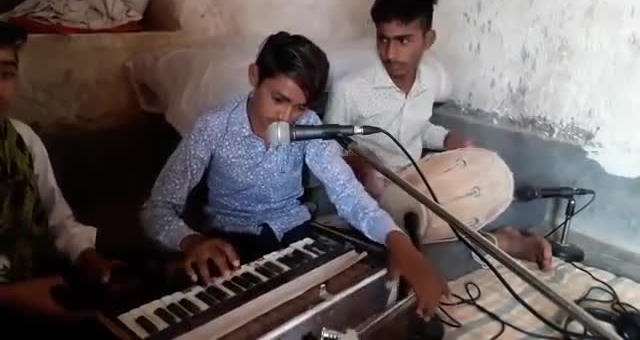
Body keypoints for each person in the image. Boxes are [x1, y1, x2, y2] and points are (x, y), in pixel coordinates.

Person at [141, 31, 450, 318]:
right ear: (254, 77)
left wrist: (401, 244)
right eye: (278, 99)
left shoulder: (310, 127)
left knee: (355, 304)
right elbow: (156, 209)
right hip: (232, 248)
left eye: (299, 108)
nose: (286, 118)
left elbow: (348, 194)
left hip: (296, 239)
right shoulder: (213, 127)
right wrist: (191, 242)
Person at [323, 0, 552, 280]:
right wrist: (360, 166)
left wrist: (448, 139)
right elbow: (327, 149)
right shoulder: (349, 90)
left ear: (427, 39)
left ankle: (494, 234)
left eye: (403, 40)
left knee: (494, 183)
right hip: (372, 197)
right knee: (413, 260)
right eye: (383, 39)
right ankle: (502, 242)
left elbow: (421, 127)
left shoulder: (429, 80)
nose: (390, 53)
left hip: (421, 181)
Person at [0, 22, 119, 333]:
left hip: (40, 291)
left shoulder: (23, 142)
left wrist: (88, 257)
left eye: (5, 74)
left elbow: (58, 219)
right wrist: (11, 297)